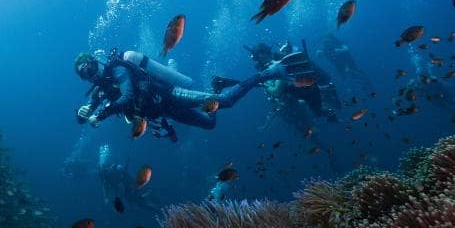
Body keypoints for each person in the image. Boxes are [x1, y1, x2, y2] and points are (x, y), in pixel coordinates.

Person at [73, 47, 301, 133]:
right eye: (84, 73)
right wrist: (82, 114)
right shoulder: (98, 90)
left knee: (226, 102)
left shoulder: (118, 69)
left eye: (91, 67)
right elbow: (84, 119)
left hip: (171, 94)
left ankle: (270, 72)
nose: (90, 73)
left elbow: (127, 96)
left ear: (97, 61)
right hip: (166, 111)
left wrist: (100, 114)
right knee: (209, 124)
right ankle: (216, 86)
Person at [245, 41, 341, 132]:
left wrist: (265, 85)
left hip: (307, 86)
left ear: (263, 54)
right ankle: (321, 114)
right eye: (258, 58)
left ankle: (324, 113)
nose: (260, 60)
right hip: (300, 86)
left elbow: (276, 91)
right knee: (309, 109)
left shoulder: (280, 63)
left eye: (260, 56)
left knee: (315, 109)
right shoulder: (267, 64)